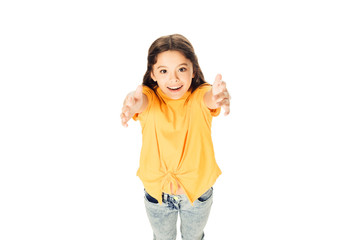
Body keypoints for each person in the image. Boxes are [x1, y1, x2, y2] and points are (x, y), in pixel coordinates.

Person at [121, 34, 230, 240]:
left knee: (194, 237)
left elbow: (209, 99)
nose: (174, 79)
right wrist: (134, 104)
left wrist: (216, 97)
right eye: (163, 71)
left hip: (198, 195)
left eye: (181, 69)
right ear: (153, 73)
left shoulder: (199, 96)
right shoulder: (149, 98)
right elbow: (142, 101)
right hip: (157, 195)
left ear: (193, 70)